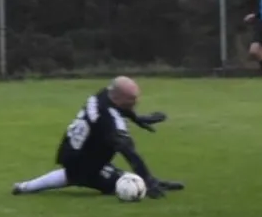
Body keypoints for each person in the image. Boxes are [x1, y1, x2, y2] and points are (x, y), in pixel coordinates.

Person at [11, 76, 185, 200]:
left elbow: (118, 107)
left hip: (74, 149)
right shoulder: (108, 118)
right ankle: (26, 187)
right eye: (132, 99)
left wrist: (137, 118)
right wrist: (148, 181)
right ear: (119, 97)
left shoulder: (104, 95)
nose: (136, 101)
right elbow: (128, 150)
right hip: (83, 159)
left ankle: (25, 187)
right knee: (120, 183)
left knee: (89, 174)